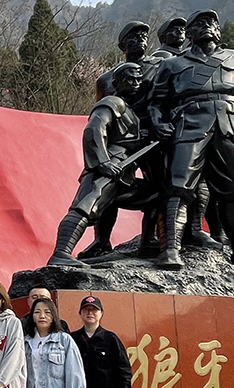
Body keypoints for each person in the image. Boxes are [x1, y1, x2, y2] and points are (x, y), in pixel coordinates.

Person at [149, 9, 234, 270]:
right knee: (177, 186)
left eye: (212, 22)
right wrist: (158, 122)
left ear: (219, 30)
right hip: (188, 126)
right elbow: (156, 101)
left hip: (229, 125)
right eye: (200, 23)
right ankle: (170, 250)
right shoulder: (172, 64)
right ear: (189, 33)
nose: (207, 26)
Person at [48, 63, 159, 267]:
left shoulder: (130, 110)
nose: (136, 83)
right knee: (85, 208)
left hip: (124, 174)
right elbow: (94, 129)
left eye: (138, 79)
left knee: (156, 196)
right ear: (117, 83)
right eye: (130, 79)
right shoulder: (112, 102)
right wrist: (103, 162)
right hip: (107, 169)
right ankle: (61, 252)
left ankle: (147, 241)